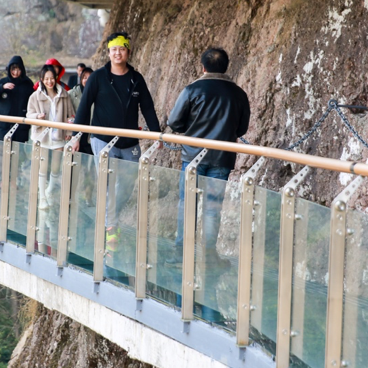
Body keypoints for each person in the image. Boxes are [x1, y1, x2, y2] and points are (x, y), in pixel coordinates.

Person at [166, 47, 250, 268]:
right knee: (213, 209)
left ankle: (180, 255)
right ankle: (210, 257)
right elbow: (241, 130)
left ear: (203, 67)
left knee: (187, 206)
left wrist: (191, 128)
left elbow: (174, 122)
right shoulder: (239, 94)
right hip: (222, 158)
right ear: (226, 67)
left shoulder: (193, 89)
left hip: (193, 157)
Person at [74, 32, 161, 245]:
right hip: (102, 140)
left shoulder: (136, 78)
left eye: (122, 49)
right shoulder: (98, 77)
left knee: (128, 183)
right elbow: (84, 107)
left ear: (128, 52)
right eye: (114, 49)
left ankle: (109, 215)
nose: (118, 53)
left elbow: (147, 107)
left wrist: (157, 133)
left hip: (130, 141)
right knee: (108, 184)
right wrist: (77, 136)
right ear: (109, 52)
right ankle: (111, 226)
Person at [27, 65, 76, 245]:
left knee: (56, 166)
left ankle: (48, 190)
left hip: (59, 136)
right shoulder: (36, 96)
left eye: (51, 78)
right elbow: (29, 114)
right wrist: (37, 117)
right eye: (46, 78)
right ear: (42, 79)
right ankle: (42, 197)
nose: (49, 81)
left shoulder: (64, 94)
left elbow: (71, 114)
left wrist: (70, 127)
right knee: (43, 166)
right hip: (41, 135)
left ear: (56, 78)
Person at [0, 55, 33, 142]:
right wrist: (2, 87)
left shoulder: (27, 83)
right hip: (3, 126)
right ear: (9, 69)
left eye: (18, 69)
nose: (16, 72)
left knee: (19, 153)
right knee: (1, 153)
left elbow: (33, 99)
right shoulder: (3, 81)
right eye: (13, 69)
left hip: (20, 126)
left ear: (22, 70)